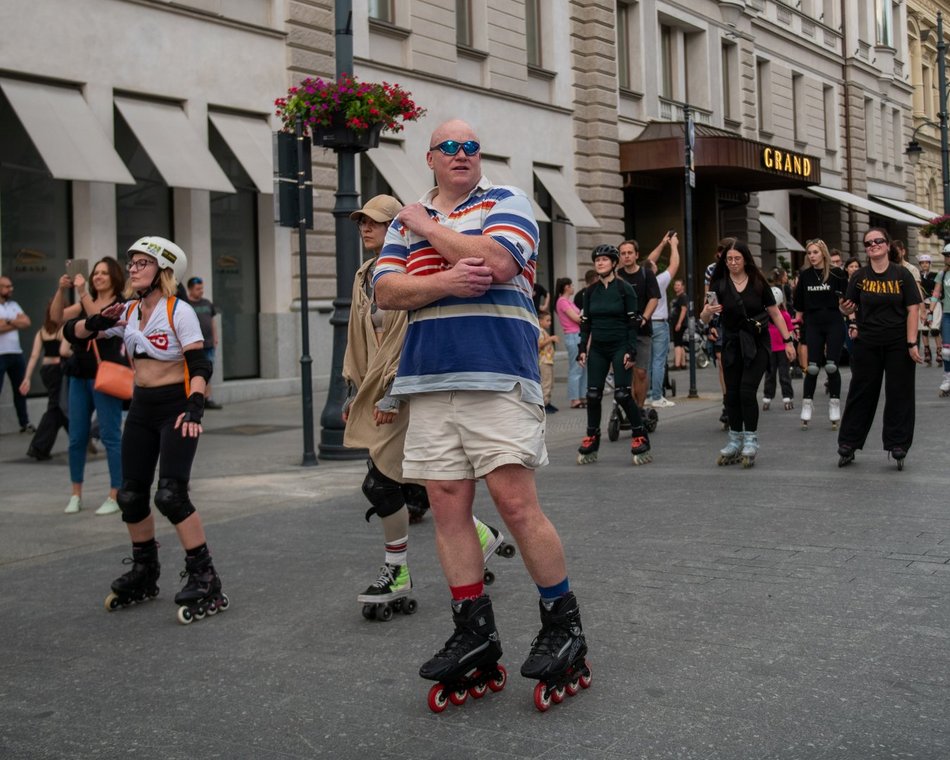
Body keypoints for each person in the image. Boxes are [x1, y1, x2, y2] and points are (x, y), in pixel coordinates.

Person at [374, 119, 589, 710]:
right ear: (431, 158)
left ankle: (563, 624)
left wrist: (429, 232)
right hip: (427, 376)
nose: (464, 154)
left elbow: (496, 262)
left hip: (496, 372)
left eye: (473, 147)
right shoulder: (405, 216)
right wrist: (445, 276)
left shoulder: (507, 199)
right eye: (452, 147)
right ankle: (474, 631)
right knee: (446, 505)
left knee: (515, 503)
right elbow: (385, 291)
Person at [341, 194, 509, 619]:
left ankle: (396, 570)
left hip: (408, 389)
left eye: (375, 222)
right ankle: (481, 534)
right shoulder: (366, 275)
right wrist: (352, 389)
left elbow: (413, 335)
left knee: (380, 485)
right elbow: (357, 338)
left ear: (397, 227)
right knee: (423, 483)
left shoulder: (415, 268)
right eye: (362, 222)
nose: (366, 228)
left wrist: (392, 394)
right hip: (376, 391)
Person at [70, 236, 226, 623]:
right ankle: (145, 570)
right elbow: (71, 336)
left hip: (176, 407)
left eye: (143, 263)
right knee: (130, 495)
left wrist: (195, 406)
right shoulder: (127, 311)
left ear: (163, 271)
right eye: (133, 263)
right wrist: (94, 323)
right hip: (140, 408)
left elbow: (200, 364)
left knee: (171, 494)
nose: (135, 269)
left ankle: (205, 577)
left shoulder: (179, 311)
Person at [700, 239, 796, 467]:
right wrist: (706, 313)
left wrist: (788, 341)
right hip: (732, 343)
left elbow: (774, 314)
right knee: (731, 394)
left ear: (745, 259)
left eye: (737, 259)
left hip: (757, 343)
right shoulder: (719, 284)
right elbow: (706, 318)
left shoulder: (758, 282)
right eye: (729, 259)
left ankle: (750, 439)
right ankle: (735, 440)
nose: (733, 263)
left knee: (746, 391)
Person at [837, 228, 922, 468]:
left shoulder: (902, 274)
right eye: (868, 243)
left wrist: (911, 343)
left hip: (897, 343)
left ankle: (898, 444)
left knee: (899, 393)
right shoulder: (860, 277)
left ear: (887, 245)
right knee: (861, 392)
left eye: (878, 241)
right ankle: (849, 443)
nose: (873, 245)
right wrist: (845, 310)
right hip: (867, 343)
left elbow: (913, 309)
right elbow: (848, 307)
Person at [53, 259, 127, 515]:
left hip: (106, 376)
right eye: (95, 272)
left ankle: (115, 494)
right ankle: (76, 494)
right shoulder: (84, 301)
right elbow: (55, 318)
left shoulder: (120, 304)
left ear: (115, 277)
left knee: (110, 436)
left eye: (104, 273)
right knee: (76, 438)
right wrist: (61, 290)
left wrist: (82, 290)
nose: (97, 277)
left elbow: (98, 318)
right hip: (79, 374)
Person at [575, 245, 652, 465]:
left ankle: (640, 435)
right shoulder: (589, 292)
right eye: (597, 260)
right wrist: (582, 348)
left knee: (622, 394)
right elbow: (586, 323)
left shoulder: (624, 289)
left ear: (614, 264)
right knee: (592, 395)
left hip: (620, 346)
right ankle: (592, 437)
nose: (600, 263)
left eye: (605, 260)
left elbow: (632, 324)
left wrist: (631, 350)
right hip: (598, 348)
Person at [792, 239, 848, 430]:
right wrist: (796, 326)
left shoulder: (837, 273)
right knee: (813, 367)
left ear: (822, 253)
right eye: (809, 253)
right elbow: (799, 306)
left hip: (834, 321)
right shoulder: (805, 276)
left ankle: (834, 405)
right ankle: (807, 404)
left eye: (815, 252)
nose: (812, 256)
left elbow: (847, 301)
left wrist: (854, 320)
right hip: (813, 323)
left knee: (832, 366)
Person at [19, 301, 68, 459]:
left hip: (45, 371)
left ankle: (82, 439)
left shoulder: (42, 331)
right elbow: (66, 352)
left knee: (60, 406)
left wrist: (27, 378)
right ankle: (39, 446)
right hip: (59, 370)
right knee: (56, 406)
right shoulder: (64, 329)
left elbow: (34, 356)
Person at [617, 239, 660, 410]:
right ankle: (630, 407)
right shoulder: (617, 275)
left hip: (642, 330)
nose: (626, 256)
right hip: (622, 331)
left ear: (636, 255)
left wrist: (644, 318)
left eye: (629, 253)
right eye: (623, 253)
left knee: (640, 372)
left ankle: (639, 408)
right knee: (627, 372)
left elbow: (654, 299)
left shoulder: (646, 274)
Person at [644, 231, 680, 407]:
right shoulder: (658, 280)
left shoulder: (640, 278)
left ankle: (649, 393)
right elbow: (674, 265)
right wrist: (673, 244)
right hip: (659, 323)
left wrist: (661, 243)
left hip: (646, 323)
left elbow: (649, 261)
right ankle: (657, 396)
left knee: (649, 362)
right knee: (659, 361)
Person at [0, 276, 34, 433]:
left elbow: (26, 322)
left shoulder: (14, 305)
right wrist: (15, 322)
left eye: (11, 286)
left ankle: (24, 423)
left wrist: (6, 322)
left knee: (21, 390)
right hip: (1, 354)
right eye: (7, 286)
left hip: (16, 354)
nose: (10, 289)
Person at [186, 276, 221, 409]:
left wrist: (215, 337)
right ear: (190, 289)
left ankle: (207, 398)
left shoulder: (207, 303)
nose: (201, 291)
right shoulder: (186, 304)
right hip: (194, 345)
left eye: (201, 288)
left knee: (209, 372)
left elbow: (212, 321)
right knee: (194, 372)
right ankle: (194, 398)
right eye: (197, 289)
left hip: (209, 344)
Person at [761, 287, 795, 412]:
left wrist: (790, 346)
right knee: (769, 375)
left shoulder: (784, 315)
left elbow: (790, 330)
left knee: (784, 375)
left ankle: (787, 397)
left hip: (782, 349)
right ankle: (767, 397)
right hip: (769, 350)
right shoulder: (764, 316)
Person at [554, 277, 584, 408]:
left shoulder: (567, 301)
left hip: (577, 335)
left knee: (582, 367)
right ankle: (574, 399)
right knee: (575, 367)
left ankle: (581, 396)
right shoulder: (562, 302)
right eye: (571, 285)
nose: (573, 287)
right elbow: (577, 318)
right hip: (573, 336)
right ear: (566, 287)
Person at [925, 245, 950, 397]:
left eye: (948, 255)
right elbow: (936, 293)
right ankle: (947, 379)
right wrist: (930, 311)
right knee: (946, 351)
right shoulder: (942, 274)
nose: (946, 257)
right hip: (948, 315)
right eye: (946, 255)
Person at [917, 254, 939, 365]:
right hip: (922, 304)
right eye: (922, 263)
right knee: (924, 329)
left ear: (930, 264)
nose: (925, 265)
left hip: (933, 303)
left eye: (926, 263)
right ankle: (927, 351)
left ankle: (939, 351)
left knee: (934, 329)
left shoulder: (935, 275)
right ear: (920, 265)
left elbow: (938, 289)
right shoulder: (917, 276)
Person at [537, 310, 559, 413]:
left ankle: (547, 402)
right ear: (540, 321)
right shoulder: (540, 331)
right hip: (544, 361)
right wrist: (551, 339)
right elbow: (539, 345)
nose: (550, 323)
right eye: (547, 320)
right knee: (546, 383)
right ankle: (544, 404)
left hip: (548, 361)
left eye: (550, 320)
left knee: (550, 383)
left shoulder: (544, 331)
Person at [669, 279, 688, 369]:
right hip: (675, 323)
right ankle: (683, 363)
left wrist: (679, 323)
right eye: (675, 285)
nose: (676, 286)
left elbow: (684, 310)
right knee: (680, 343)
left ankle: (677, 365)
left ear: (683, 287)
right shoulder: (677, 297)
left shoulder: (682, 297)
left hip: (679, 323)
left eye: (678, 285)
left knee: (677, 343)